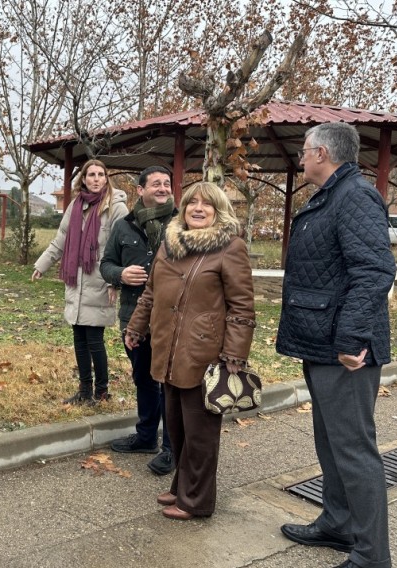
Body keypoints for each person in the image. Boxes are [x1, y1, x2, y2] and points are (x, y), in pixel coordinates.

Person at [276, 122, 395, 568]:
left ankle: (371, 556)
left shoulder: (355, 196)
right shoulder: (333, 196)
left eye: (305, 151)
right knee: (331, 444)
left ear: (322, 153)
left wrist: (349, 339)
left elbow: (374, 273)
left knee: (353, 450)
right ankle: (338, 523)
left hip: (346, 352)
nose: (301, 159)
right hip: (323, 345)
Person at [124, 181, 255, 520]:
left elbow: (242, 307)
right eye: (191, 202)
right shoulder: (170, 245)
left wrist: (234, 356)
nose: (198, 208)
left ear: (218, 209)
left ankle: (197, 500)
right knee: (178, 428)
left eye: (206, 204)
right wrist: (136, 327)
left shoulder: (231, 247)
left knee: (200, 434)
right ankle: (182, 486)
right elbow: (151, 293)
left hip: (205, 355)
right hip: (168, 351)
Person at [100, 166, 177, 476]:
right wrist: (120, 275)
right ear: (140, 190)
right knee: (144, 379)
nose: (162, 188)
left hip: (171, 319)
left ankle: (172, 448)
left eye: (167, 183)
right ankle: (146, 437)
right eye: (156, 183)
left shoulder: (182, 224)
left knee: (171, 383)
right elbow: (105, 264)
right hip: (134, 317)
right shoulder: (124, 226)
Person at [32, 159, 128, 404]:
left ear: (106, 178)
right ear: (83, 179)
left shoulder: (116, 208)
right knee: (79, 338)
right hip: (76, 281)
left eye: (100, 174)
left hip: (100, 280)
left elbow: (121, 248)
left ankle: (102, 391)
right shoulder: (76, 205)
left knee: (95, 339)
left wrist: (114, 282)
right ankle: (84, 391)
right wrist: (42, 265)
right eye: (91, 175)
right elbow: (61, 240)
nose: (96, 179)